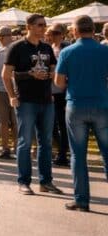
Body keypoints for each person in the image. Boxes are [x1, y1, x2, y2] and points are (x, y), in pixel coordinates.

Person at [53, 14, 108, 212]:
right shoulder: (105, 50)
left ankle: (81, 200)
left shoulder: (68, 52)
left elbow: (58, 83)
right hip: (102, 104)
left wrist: (73, 83)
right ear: (94, 30)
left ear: (75, 31)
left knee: (78, 154)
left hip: (75, 104)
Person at [4, 13, 62, 196]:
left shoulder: (46, 47)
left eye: (44, 25)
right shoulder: (17, 47)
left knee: (46, 142)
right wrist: (12, 95)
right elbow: (7, 75)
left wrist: (52, 74)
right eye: (39, 25)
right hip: (26, 100)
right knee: (25, 142)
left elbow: (53, 66)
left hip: (46, 100)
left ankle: (46, 181)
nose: (43, 28)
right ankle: (24, 181)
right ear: (28, 26)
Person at [0, 26, 18, 159]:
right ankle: (5, 148)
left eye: (3, 35)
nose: (0, 38)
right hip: (0, 88)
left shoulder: (16, 48)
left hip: (15, 88)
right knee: (3, 121)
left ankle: (17, 147)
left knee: (16, 120)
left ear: (10, 36)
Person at [47, 23, 71, 167]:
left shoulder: (65, 48)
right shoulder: (50, 48)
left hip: (62, 91)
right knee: (52, 124)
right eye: (50, 33)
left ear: (62, 34)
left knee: (62, 123)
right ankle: (59, 150)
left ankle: (63, 153)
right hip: (51, 91)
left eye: (55, 33)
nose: (52, 35)